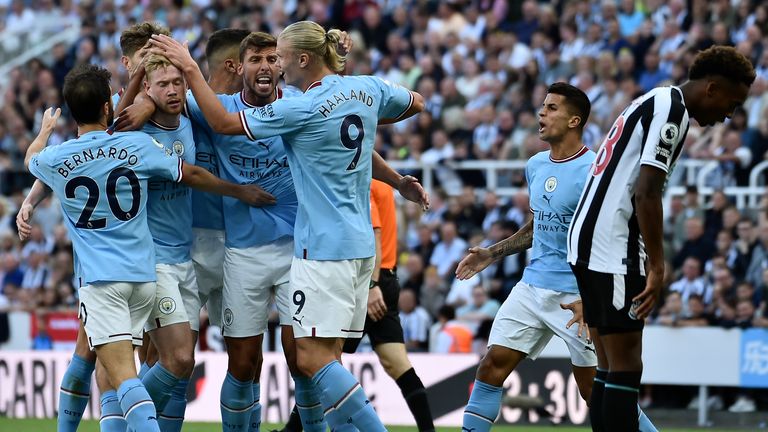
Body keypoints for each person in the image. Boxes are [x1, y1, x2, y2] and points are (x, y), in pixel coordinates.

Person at [149, 20, 428, 430]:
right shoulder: (359, 88)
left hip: (308, 249)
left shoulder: (297, 104)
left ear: (294, 62)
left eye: (274, 57)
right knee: (249, 364)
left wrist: (190, 67)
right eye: (258, 59)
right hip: (262, 252)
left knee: (308, 362)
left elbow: (233, 128)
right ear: (236, 67)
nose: (269, 65)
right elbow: (410, 105)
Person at [567, 45, 755, 431]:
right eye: (731, 104)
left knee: (608, 366)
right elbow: (647, 191)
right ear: (712, 88)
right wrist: (658, 265)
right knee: (626, 366)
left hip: (587, 242)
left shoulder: (655, 98)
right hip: (613, 245)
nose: (727, 116)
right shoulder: (673, 111)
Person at [456, 82, 600, 431]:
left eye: (552, 108)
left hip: (576, 296)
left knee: (597, 395)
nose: (542, 113)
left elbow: (606, 239)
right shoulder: (536, 165)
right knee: (490, 367)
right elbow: (538, 227)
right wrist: (493, 252)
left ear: (573, 121)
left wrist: (592, 297)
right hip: (532, 286)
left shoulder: (595, 170)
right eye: (542, 106)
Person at [339, 178, 435, 431]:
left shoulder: (363, 181)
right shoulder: (382, 185)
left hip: (369, 281)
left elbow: (374, 233)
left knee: (322, 359)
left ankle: (294, 428)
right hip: (387, 279)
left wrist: (371, 286)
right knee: (397, 364)